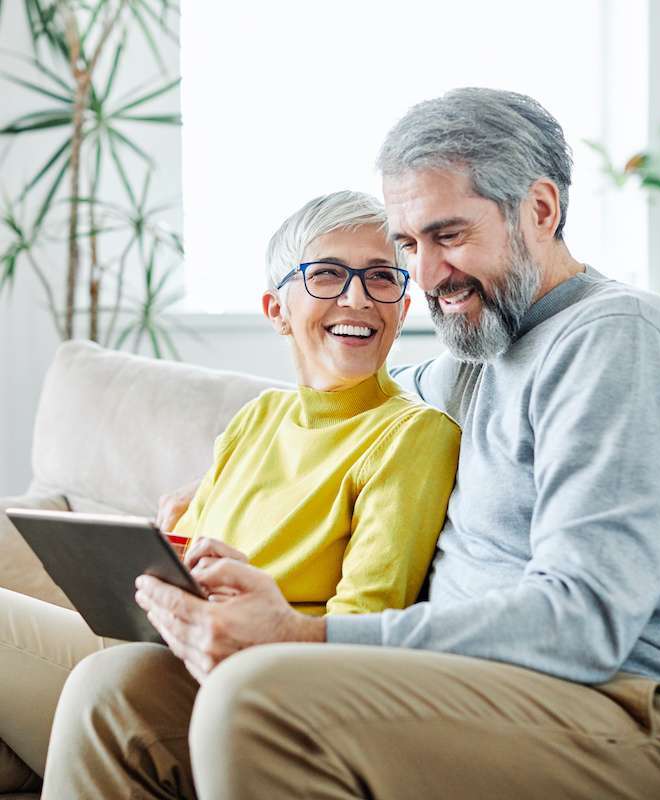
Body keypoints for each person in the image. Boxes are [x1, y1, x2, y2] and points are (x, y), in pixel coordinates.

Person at [42, 88, 660, 800]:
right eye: (409, 242)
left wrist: (305, 633)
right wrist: (214, 512)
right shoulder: (476, 355)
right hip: (500, 693)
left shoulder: (617, 340)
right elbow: (344, 399)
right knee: (120, 693)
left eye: (449, 235)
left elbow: (584, 623)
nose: (427, 276)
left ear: (541, 208)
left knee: (258, 695)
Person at [0, 190, 459, 793]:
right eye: (326, 275)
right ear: (277, 310)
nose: (358, 298)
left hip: (250, 684)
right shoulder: (259, 416)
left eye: (381, 278)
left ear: (402, 307)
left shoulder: (413, 434)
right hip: (160, 644)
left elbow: (364, 627)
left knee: (104, 683)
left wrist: (254, 610)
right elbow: (200, 558)